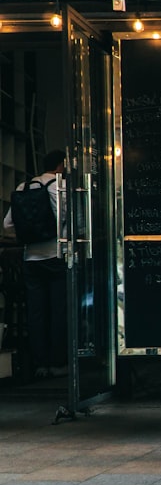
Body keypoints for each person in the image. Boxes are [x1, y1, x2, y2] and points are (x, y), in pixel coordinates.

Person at [3, 150, 67, 379]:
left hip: (31, 258)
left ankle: (40, 364)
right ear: (61, 165)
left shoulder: (23, 187)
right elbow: (73, 219)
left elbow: (8, 224)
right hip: (57, 255)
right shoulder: (58, 186)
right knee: (58, 311)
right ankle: (58, 363)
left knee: (37, 313)